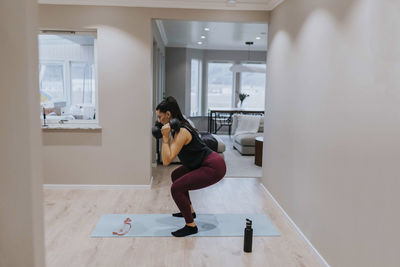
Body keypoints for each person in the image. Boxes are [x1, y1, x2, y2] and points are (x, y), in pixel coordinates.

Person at [156, 96, 226, 237]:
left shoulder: (182, 131)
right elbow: (169, 154)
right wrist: (166, 135)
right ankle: (190, 211)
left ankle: (191, 226)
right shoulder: (178, 125)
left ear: (168, 114)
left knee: (176, 188)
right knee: (176, 176)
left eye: (160, 117)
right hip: (201, 163)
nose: (158, 121)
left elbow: (166, 160)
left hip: (213, 166)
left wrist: (164, 137)